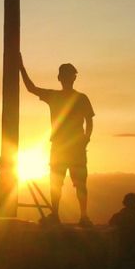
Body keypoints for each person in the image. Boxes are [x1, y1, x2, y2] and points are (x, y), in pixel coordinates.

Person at [20, 55, 94, 226]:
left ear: (61, 78)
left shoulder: (61, 97)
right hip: (72, 146)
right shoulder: (79, 98)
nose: (69, 78)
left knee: (61, 182)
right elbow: (89, 121)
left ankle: (66, 215)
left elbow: (31, 88)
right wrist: (86, 139)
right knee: (74, 183)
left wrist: (22, 68)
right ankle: (77, 216)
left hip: (65, 146)